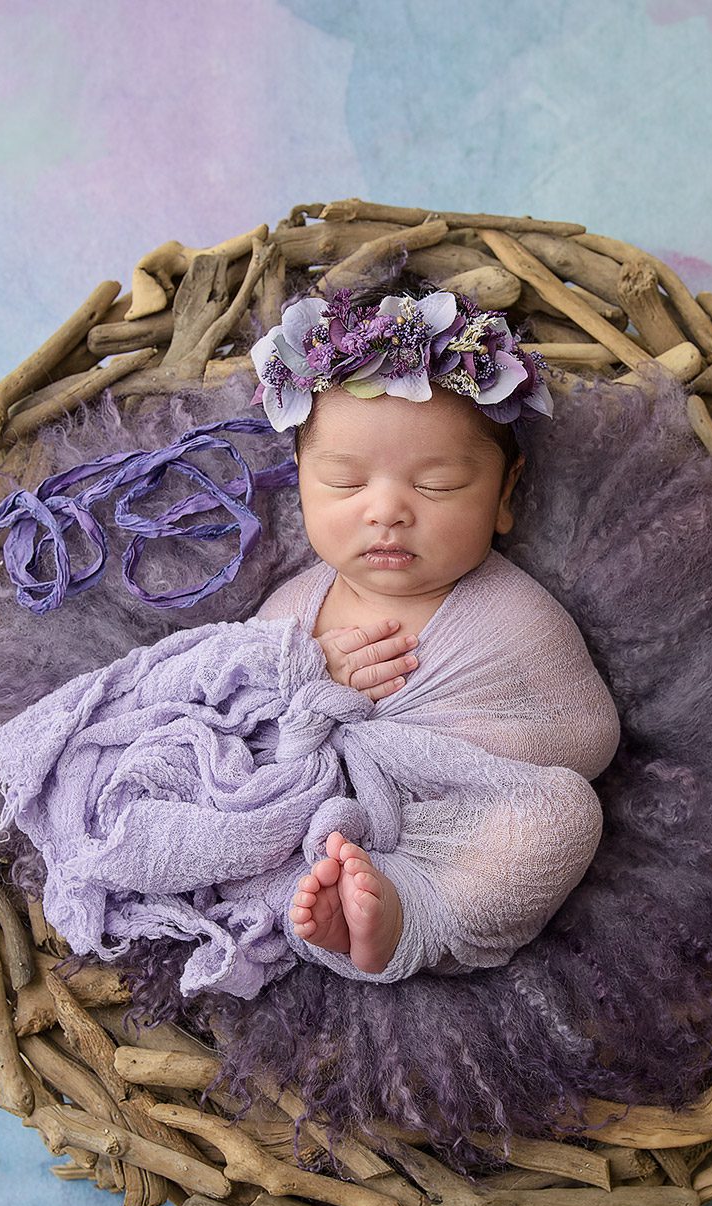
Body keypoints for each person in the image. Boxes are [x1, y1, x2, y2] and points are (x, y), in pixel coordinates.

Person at [244, 282, 621, 982]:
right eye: (345, 482)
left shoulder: (515, 613)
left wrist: (443, 747)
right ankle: (326, 912)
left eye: (439, 484)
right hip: (314, 825)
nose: (386, 511)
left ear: (505, 495)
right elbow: (238, 717)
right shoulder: (292, 609)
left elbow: (589, 735)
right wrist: (307, 686)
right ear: (299, 482)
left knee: (568, 814)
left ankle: (406, 920)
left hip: (450, 841)